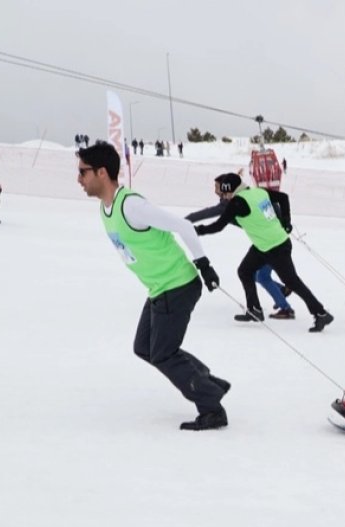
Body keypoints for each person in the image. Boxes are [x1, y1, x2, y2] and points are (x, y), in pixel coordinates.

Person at [75, 143, 229, 431]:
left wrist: (204, 265)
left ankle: (211, 406)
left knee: (163, 353)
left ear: (102, 172)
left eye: (83, 172)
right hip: (159, 288)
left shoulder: (131, 206)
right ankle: (207, 382)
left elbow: (184, 226)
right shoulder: (105, 208)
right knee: (144, 347)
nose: (79, 179)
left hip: (177, 284)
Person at [193, 173, 333, 331]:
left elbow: (218, 226)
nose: (225, 197)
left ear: (231, 190)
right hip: (265, 245)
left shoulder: (237, 202)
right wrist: (286, 221)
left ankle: (321, 313)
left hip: (275, 247)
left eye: (225, 193)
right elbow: (283, 197)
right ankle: (254, 310)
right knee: (245, 271)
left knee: (292, 281)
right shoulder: (258, 192)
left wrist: (197, 230)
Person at [186, 180, 293, 319]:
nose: (215, 189)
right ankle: (281, 290)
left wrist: (183, 222)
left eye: (217, 186)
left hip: (270, 242)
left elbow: (205, 214)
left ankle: (285, 307)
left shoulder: (230, 204)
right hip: (269, 240)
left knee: (260, 276)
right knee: (257, 275)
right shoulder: (245, 197)